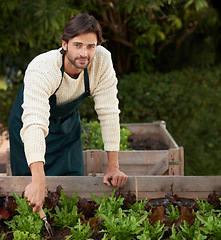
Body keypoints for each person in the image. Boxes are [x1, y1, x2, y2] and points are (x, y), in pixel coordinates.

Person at [8, 13, 128, 213]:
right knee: (29, 199)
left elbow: (109, 112)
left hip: (67, 129)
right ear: (64, 44)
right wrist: (38, 180)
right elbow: (35, 124)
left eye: (91, 46)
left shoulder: (102, 61)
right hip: (29, 129)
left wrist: (113, 166)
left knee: (71, 195)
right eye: (78, 45)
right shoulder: (42, 69)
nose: (85, 53)